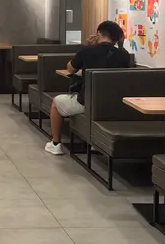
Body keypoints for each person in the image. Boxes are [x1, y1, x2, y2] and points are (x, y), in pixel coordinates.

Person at [45, 20, 130, 156]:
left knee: (56, 102)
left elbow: (70, 69)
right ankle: (95, 144)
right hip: (113, 105)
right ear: (118, 38)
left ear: (99, 34)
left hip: (87, 102)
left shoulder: (87, 51)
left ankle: (55, 144)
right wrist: (121, 46)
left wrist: (88, 48)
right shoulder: (124, 55)